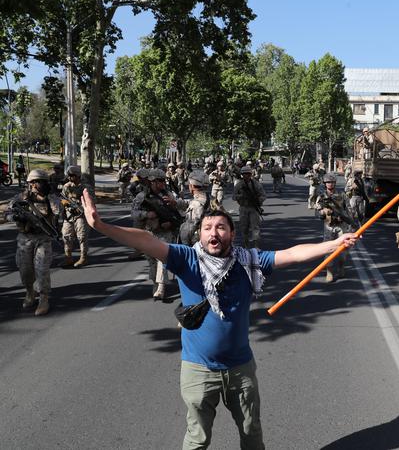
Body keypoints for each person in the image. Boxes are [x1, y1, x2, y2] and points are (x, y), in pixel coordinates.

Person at [80, 188, 357, 450]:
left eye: (221, 228)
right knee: (197, 439)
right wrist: (103, 227)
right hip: (198, 371)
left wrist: (333, 243)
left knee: (251, 434)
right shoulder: (187, 259)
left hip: (240, 370)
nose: (214, 234)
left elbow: (292, 254)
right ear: (199, 234)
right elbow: (146, 240)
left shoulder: (249, 260)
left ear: (232, 233)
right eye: (208, 228)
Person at [5, 169, 63, 316]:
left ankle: (43, 298)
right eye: (33, 182)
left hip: (43, 238)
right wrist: (16, 217)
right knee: (25, 270)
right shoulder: (22, 197)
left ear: (44, 182)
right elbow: (7, 212)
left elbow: (58, 212)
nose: (35, 185)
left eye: (38, 182)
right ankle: (30, 292)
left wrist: (49, 201)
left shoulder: (51, 198)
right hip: (25, 239)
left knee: (42, 269)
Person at [132, 168, 183, 300]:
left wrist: (170, 223)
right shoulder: (142, 196)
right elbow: (134, 213)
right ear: (152, 182)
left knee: (162, 258)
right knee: (152, 260)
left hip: (165, 232)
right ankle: (156, 283)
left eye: (163, 181)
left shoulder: (169, 195)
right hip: (149, 232)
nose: (162, 183)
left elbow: (180, 213)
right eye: (159, 181)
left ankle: (161, 287)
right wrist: (146, 214)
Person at [315, 173, 354, 282]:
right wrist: (323, 212)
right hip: (329, 226)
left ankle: (341, 266)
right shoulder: (322, 196)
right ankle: (330, 271)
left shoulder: (342, 195)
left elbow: (349, 209)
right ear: (325, 184)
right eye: (328, 182)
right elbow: (317, 211)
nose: (330, 184)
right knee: (328, 249)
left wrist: (350, 222)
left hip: (342, 225)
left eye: (332, 182)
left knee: (343, 249)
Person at [61, 166, 94, 268]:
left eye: (72, 175)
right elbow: (62, 198)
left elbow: (92, 201)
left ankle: (83, 258)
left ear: (78, 175)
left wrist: (79, 205)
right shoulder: (66, 186)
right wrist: (65, 204)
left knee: (82, 236)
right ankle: (68, 258)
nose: (70, 177)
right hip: (69, 215)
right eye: (69, 175)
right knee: (66, 236)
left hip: (81, 214)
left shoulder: (85, 187)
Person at [179, 170, 215, 247]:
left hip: (197, 244)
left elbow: (188, 230)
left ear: (191, 186)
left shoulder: (196, 204)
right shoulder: (211, 198)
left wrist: (184, 246)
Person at [233, 166, 266, 249]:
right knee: (244, 228)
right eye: (244, 174)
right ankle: (246, 246)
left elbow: (263, 195)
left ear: (250, 174)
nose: (246, 176)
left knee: (255, 227)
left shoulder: (256, 184)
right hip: (243, 208)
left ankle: (256, 247)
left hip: (253, 208)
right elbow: (234, 197)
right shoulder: (239, 185)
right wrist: (241, 196)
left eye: (248, 174)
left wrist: (258, 201)